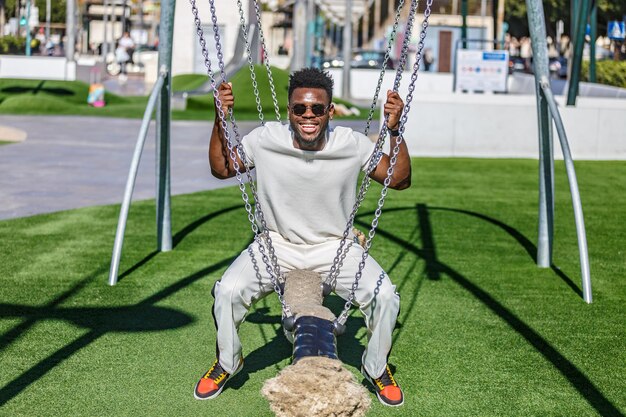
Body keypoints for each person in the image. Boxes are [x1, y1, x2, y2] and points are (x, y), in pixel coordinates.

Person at [194, 68, 411, 407]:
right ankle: (227, 361)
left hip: (335, 247)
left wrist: (395, 129)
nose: (308, 116)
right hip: (276, 245)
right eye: (300, 109)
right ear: (289, 110)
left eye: (316, 109)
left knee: (386, 297)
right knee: (227, 292)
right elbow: (222, 168)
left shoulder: (350, 144)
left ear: (330, 111)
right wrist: (219, 116)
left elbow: (399, 179)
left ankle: (376, 367)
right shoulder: (266, 139)